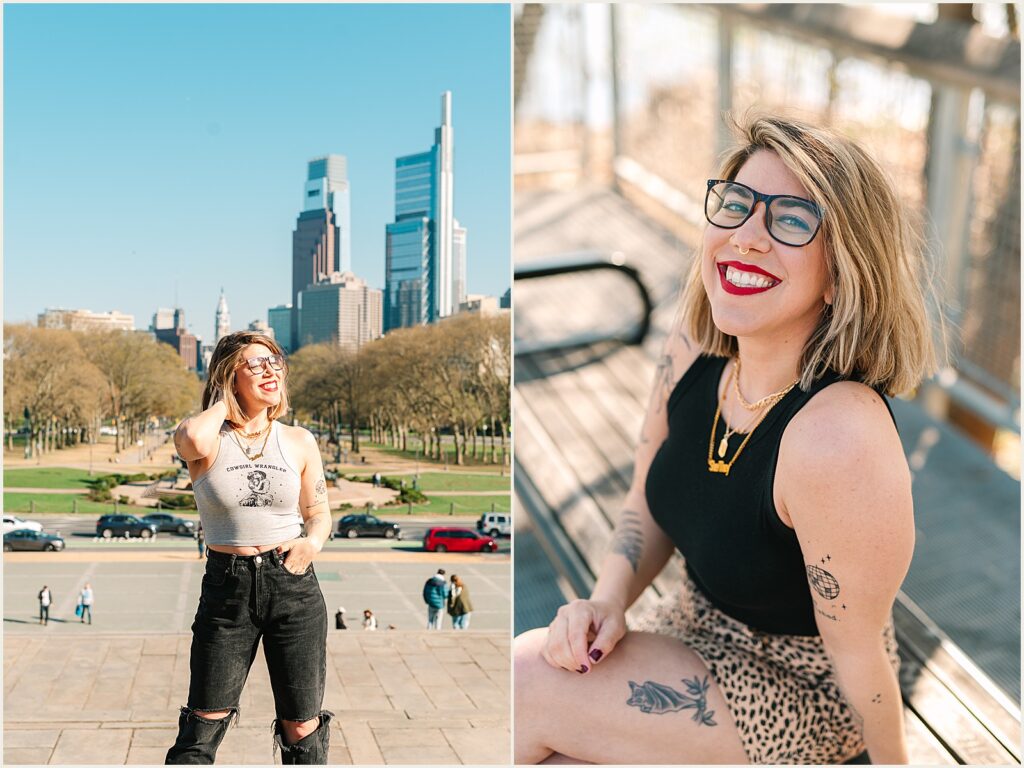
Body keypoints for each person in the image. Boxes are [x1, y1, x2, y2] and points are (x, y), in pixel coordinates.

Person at [514, 115, 937, 765]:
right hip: (690, 626)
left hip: (803, 687)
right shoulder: (693, 347)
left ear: (840, 272)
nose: (747, 237)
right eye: (737, 205)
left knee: (525, 683)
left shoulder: (837, 436)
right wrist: (605, 600)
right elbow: (644, 501)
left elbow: (856, 652)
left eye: (791, 220)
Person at [165, 331, 335, 765]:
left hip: (293, 586)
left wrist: (311, 544)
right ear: (229, 376)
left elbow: (319, 513)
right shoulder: (206, 439)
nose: (270, 370)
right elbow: (192, 438)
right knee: (204, 721)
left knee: (302, 725)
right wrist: (226, 399)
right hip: (228, 587)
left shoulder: (299, 440)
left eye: (275, 362)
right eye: (256, 364)